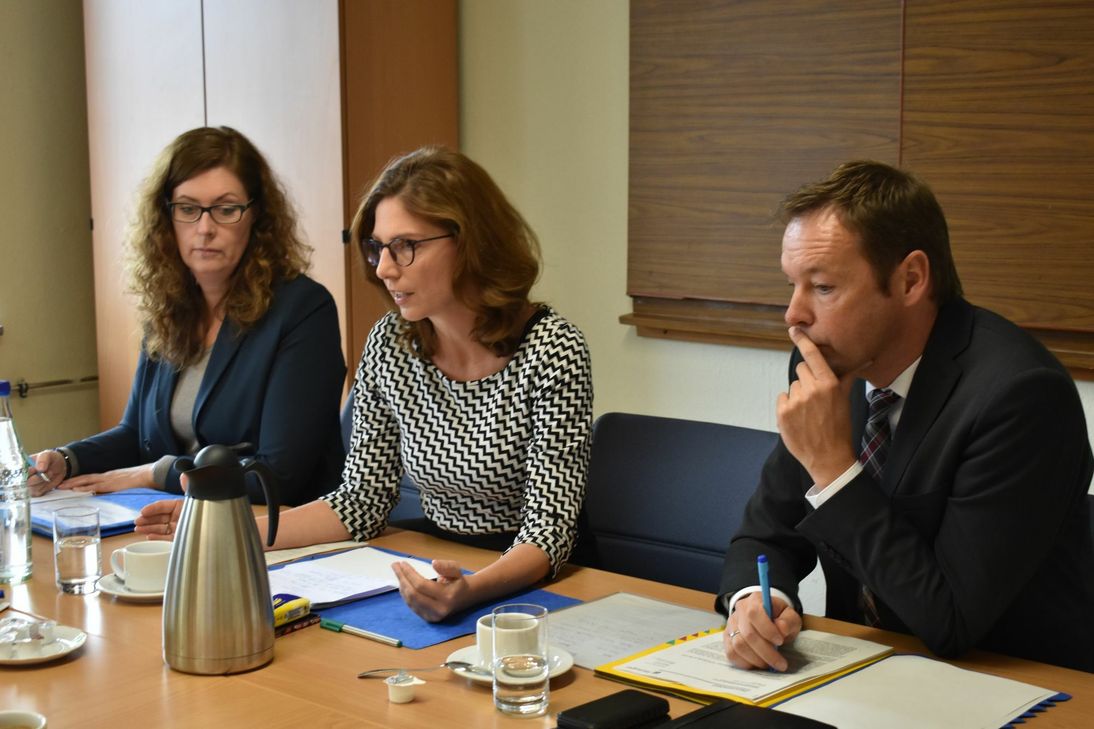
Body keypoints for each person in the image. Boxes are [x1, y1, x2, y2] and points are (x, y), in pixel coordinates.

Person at [138, 146, 594, 622]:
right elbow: (360, 499)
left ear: (470, 242)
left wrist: (471, 591)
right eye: (378, 247)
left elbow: (548, 532)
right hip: (435, 563)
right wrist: (225, 527)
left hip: (528, 582)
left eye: (406, 246)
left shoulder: (552, 349)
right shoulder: (391, 343)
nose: (383, 268)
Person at [718, 160, 1094, 673]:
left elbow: (950, 621)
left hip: (1013, 684)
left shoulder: (1021, 397)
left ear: (911, 279)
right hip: (869, 673)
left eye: (823, 287)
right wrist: (758, 601)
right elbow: (766, 530)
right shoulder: (828, 362)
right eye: (792, 285)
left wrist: (834, 469)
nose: (794, 315)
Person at [30, 126, 345, 506]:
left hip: (274, 534)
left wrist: (155, 473)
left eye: (226, 209)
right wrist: (68, 459)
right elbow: (136, 434)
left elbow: (277, 476)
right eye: (188, 208)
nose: (205, 228)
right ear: (167, 217)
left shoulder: (303, 310)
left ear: (256, 217)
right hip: (177, 523)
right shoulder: (170, 308)